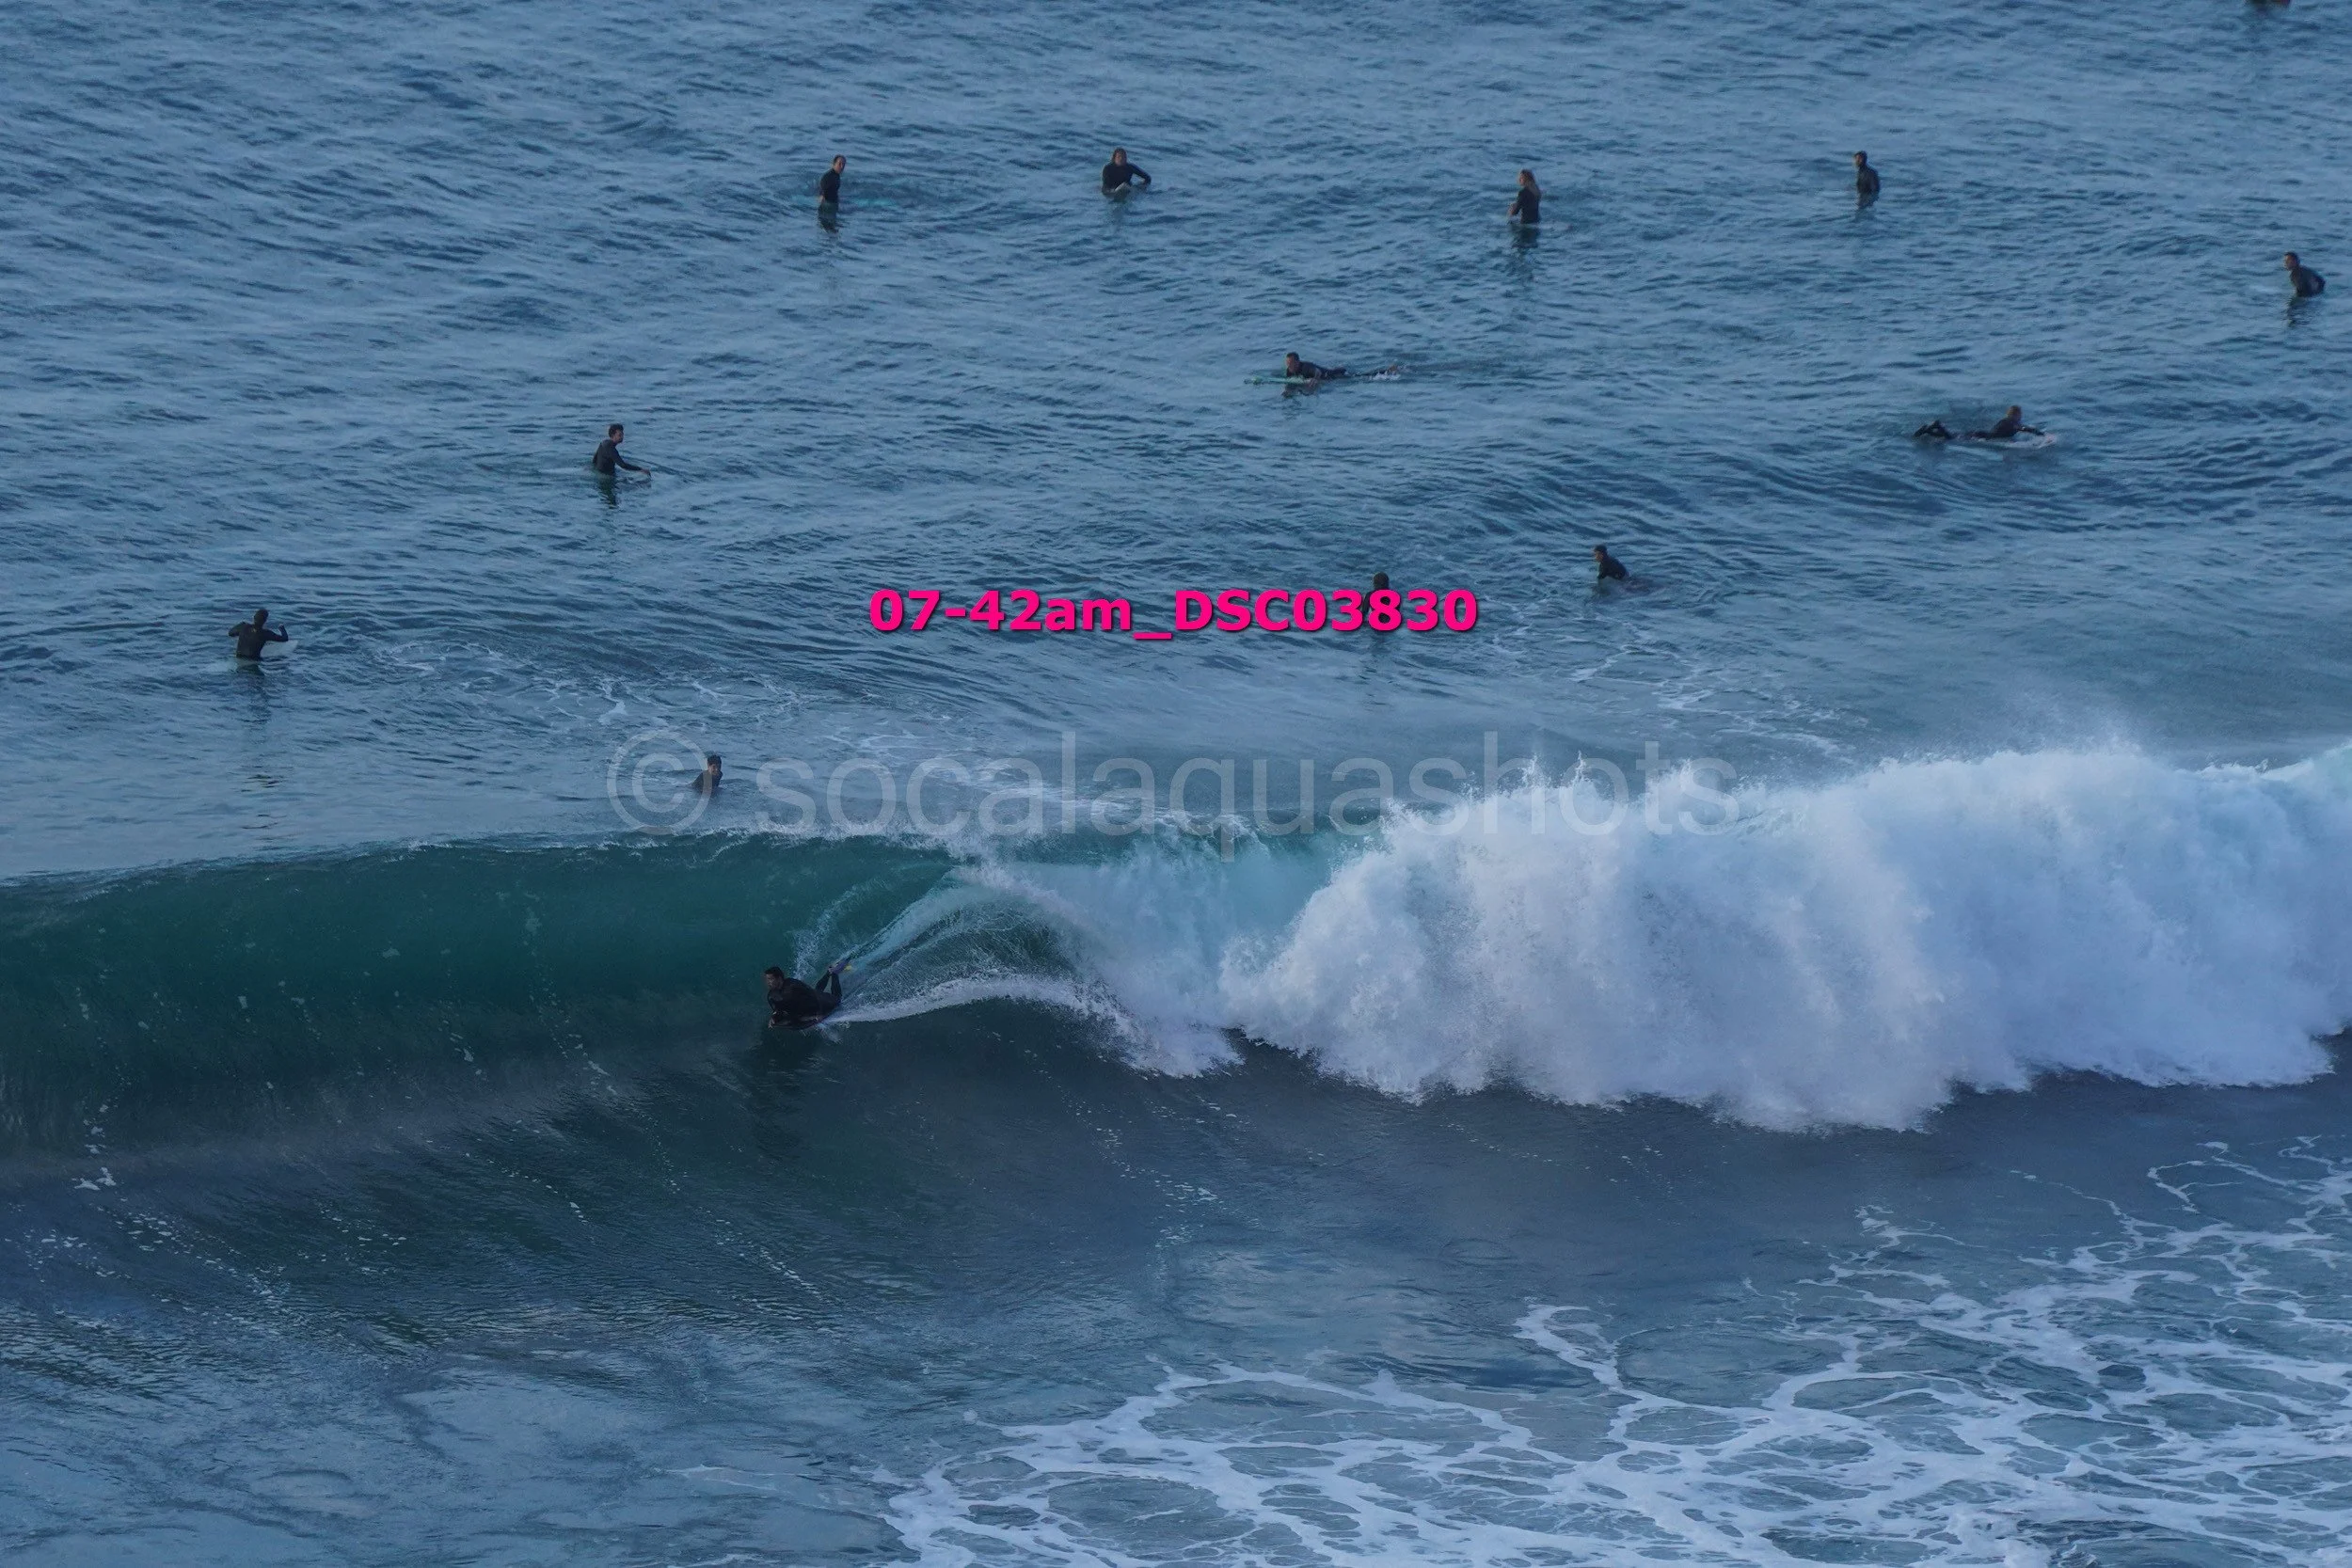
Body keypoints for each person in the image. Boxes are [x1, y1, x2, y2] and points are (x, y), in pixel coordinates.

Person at [766, 961, 846, 1029]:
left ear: (779, 978)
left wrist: (819, 1013)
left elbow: (811, 993)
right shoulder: (771, 996)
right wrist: (773, 1017)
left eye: (770, 979)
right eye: (767, 979)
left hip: (819, 1001)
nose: (768, 982)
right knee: (817, 991)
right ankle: (829, 972)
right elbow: (777, 1009)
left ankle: (834, 973)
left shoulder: (793, 985)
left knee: (837, 999)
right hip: (806, 1005)